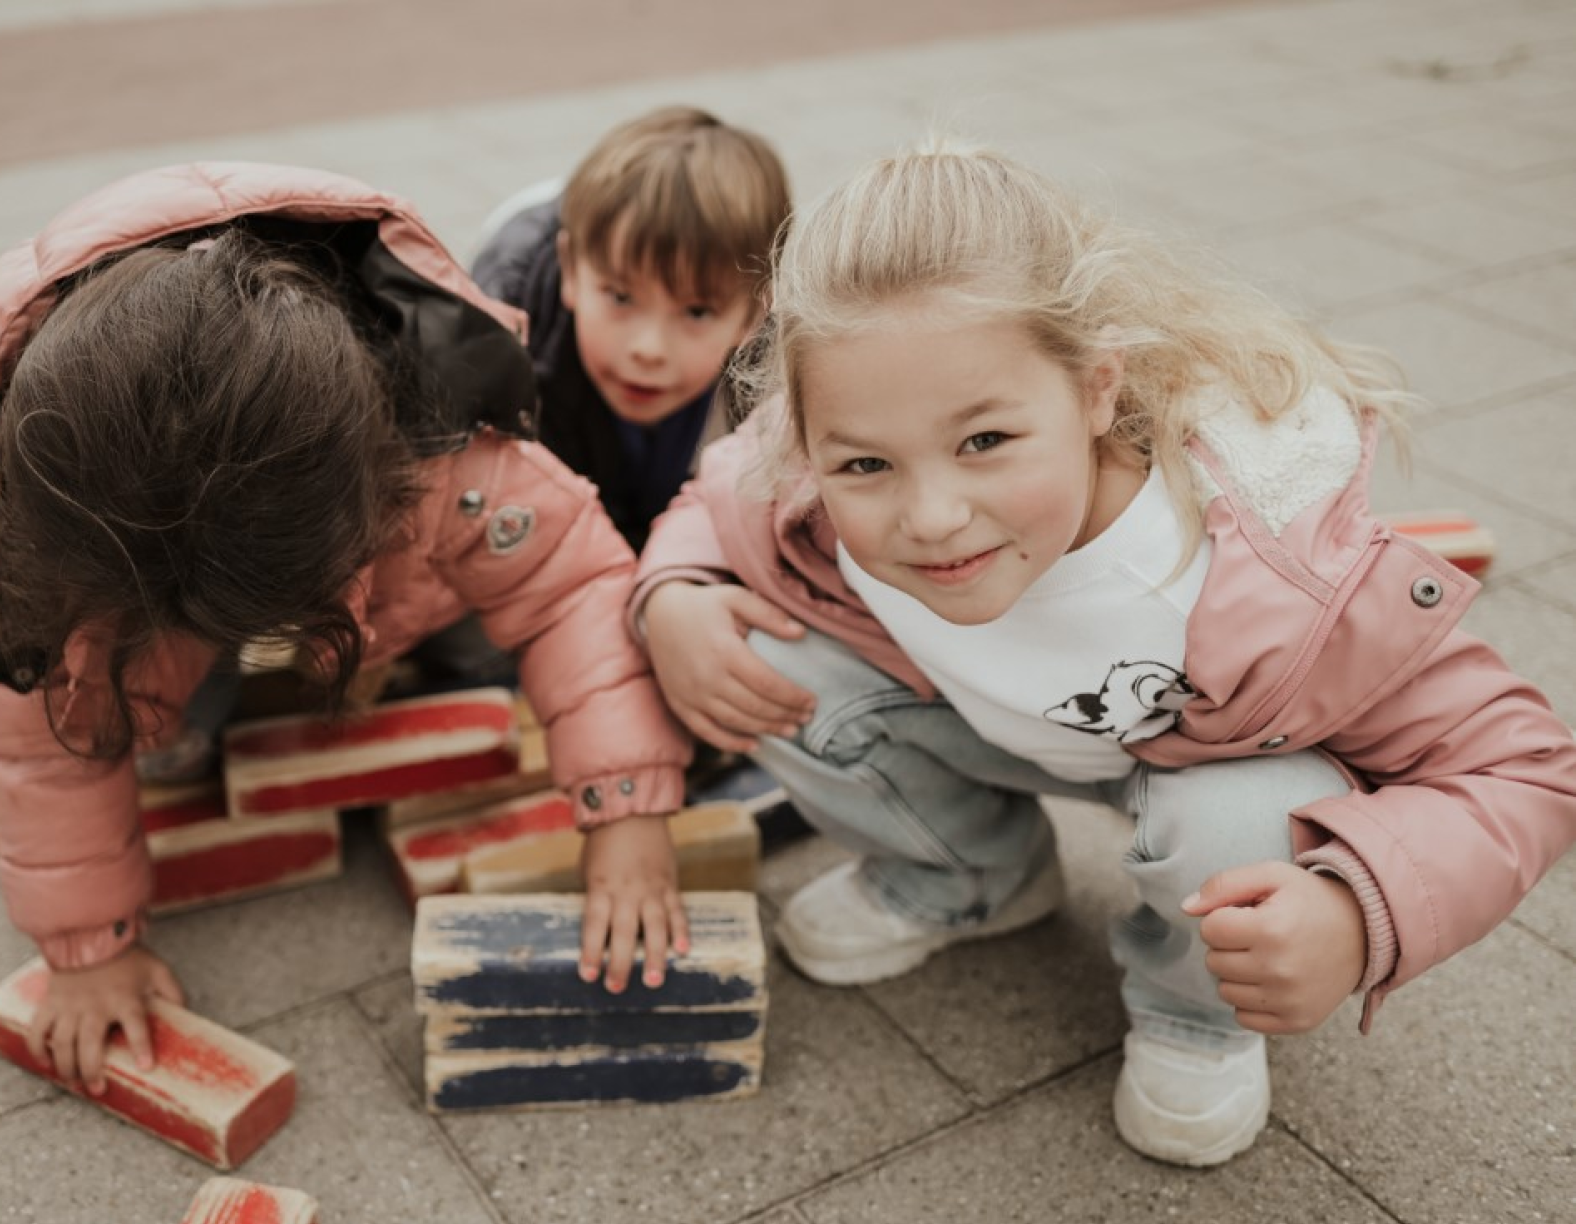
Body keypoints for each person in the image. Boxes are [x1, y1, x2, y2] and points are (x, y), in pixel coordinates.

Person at [631, 139, 1576, 1167]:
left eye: (986, 441)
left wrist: (1359, 909)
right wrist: (675, 593)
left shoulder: (1264, 569)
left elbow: (1527, 768)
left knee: (1235, 817)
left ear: (1094, 389)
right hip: (985, 729)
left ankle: (1195, 1012)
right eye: (864, 463)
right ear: (808, 443)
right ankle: (970, 879)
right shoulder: (819, 452)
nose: (934, 516)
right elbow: (717, 495)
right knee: (771, 665)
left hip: (1207, 768)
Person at [0, 162, 693, 1095]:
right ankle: (180, 685)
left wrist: (628, 807)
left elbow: (572, 589)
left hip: (406, 566)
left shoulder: (444, 448)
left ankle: (381, 642)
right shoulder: (40, 525)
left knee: (487, 647)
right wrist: (86, 948)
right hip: (150, 585)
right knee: (107, 700)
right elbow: (37, 734)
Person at [470, 105, 790, 552]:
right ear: (572, 274)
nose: (648, 349)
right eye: (621, 298)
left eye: (696, 312)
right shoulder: (496, 356)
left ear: (755, 313)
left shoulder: (789, 383)